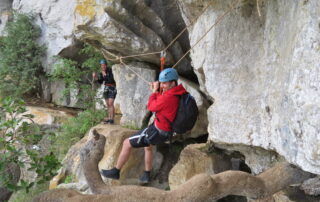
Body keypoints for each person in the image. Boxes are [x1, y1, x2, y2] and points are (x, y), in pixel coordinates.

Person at [101, 68, 187, 184]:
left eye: (165, 83)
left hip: (157, 131)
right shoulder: (178, 92)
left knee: (127, 143)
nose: (163, 85)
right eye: (161, 83)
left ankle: (115, 171)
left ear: (173, 82)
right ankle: (147, 174)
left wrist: (154, 92)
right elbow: (163, 101)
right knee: (148, 147)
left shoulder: (168, 97)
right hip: (164, 130)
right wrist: (158, 90)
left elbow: (151, 107)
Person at [93, 59, 117, 124]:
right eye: (102, 65)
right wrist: (96, 78)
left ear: (106, 65)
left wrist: (105, 74)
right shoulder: (102, 72)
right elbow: (101, 82)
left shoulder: (110, 70)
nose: (103, 67)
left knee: (111, 103)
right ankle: (109, 117)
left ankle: (112, 119)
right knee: (107, 104)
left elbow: (111, 80)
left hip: (112, 87)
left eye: (104, 65)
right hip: (106, 87)